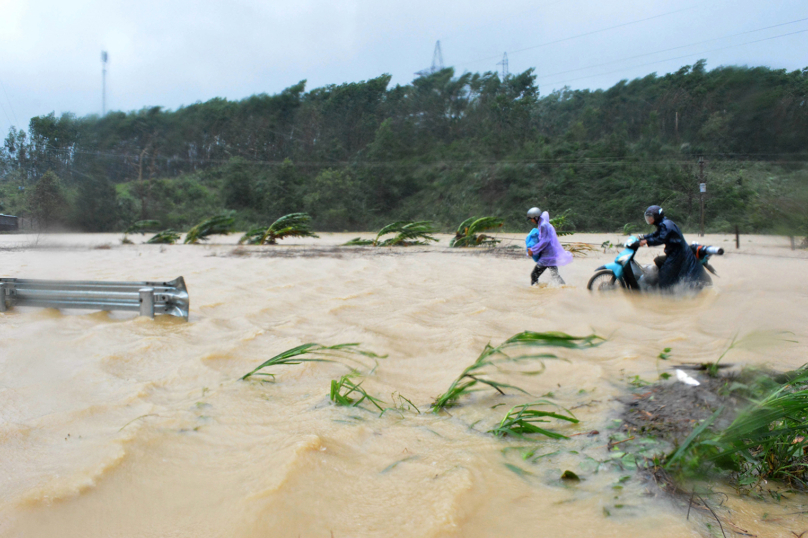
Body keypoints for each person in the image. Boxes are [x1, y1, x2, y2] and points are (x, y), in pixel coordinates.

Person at [638, 205, 706, 290]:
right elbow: (656, 234)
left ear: (656, 216)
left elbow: (661, 238)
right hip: (676, 253)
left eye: (650, 217)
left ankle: (666, 294)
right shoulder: (663, 223)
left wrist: (647, 241)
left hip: (678, 254)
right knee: (658, 260)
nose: (648, 219)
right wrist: (644, 237)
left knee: (664, 276)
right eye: (647, 217)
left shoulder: (666, 225)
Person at [525, 207, 573, 285]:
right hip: (551, 255)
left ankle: (535, 293)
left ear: (536, 218)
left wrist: (533, 250)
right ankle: (564, 288)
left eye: (531, 219)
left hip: (547, 256)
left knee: (534, 275)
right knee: (555, 276)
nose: (531, 220)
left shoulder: (543, 225)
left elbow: (545, 241)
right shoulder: (543, 223)